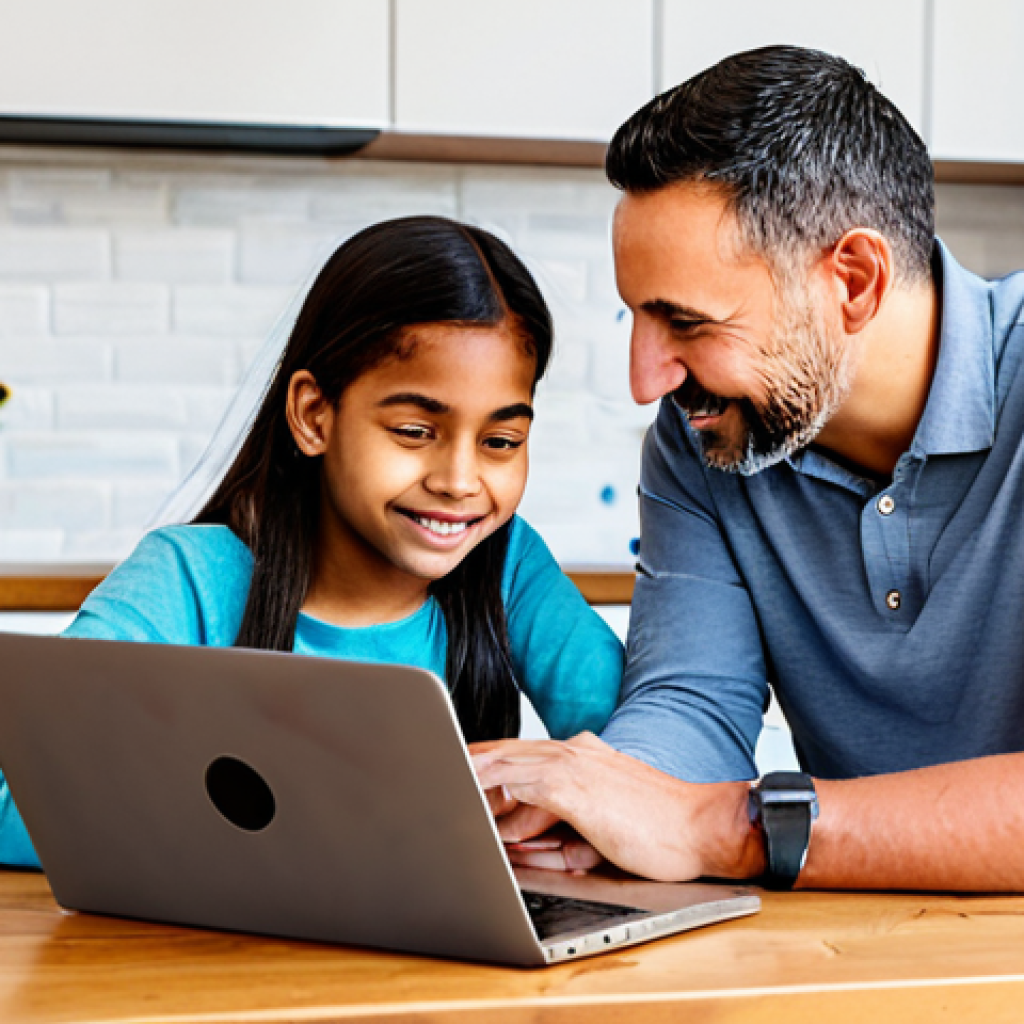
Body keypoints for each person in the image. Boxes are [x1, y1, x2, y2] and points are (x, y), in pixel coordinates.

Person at [473, 45, 1024, 891]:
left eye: (686, 323)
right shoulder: (706, 439)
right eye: (638, 319)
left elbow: (708, 823)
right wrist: (589, 809)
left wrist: (731, 827)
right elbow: (689, 704)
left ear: (855, 281)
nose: (644, 379)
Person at [0, 216, 623, 868]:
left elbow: (639, 755)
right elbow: (22, 794)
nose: (460, 481)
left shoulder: (508, 567)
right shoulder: (188, 579)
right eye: (414, 431)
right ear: (313, 415)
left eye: (501, 442)